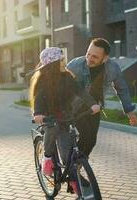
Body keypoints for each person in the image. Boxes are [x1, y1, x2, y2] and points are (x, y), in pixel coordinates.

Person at [29, 47, 100, 194]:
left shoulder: (67, 77)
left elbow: (80, 91)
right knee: (52, 129)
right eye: (61, 60)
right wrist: (38, 114)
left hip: (66, 116)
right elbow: (38, 99)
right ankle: (47, 158)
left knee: (67, 152)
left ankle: (73, 179)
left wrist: (92, 103)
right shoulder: (43, 81)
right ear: (53, 64)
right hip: (49, 116)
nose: (64, 63)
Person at [66, 38, 137, 158]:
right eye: (88, 54)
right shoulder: (75, 65)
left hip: (95, 108)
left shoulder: (112, 68)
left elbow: (122, 89)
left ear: (105, 58)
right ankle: (71, 164)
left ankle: (78, 164)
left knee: (91, 141)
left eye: (94, 56)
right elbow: (60, 84)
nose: (89, 58)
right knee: (85, 136)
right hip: (74, 107)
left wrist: (129, 111)